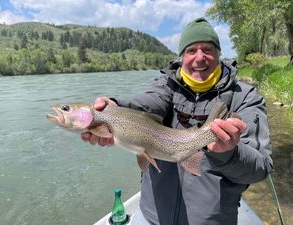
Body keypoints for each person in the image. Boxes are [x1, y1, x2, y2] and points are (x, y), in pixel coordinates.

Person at [82, 17, 273, 225]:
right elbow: (147, 102)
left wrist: (229, 152)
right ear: (182, 57)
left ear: (219, 55)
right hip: (152, 216)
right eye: (191, 50)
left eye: (207, 50)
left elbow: (260, 168)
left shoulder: (245, 97)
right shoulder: (166, 86)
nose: (199, 57)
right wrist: (116, 106)